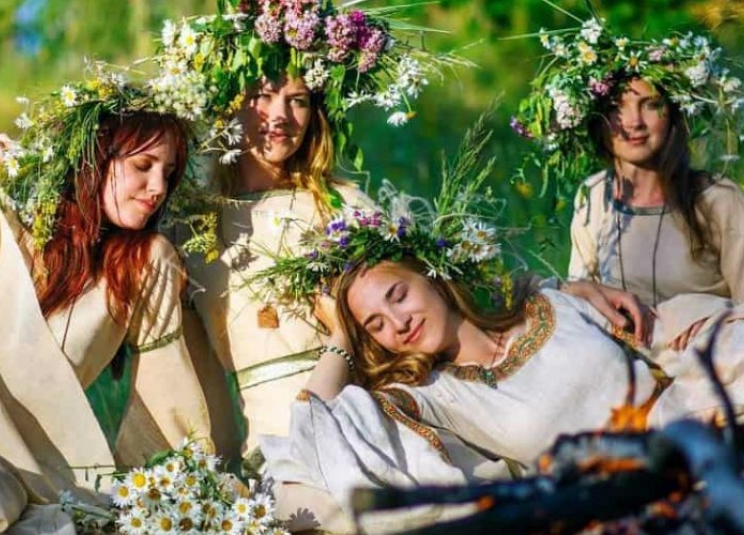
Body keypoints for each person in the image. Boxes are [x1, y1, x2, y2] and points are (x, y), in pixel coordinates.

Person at [252, 179, 692, 530]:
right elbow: (311, 435)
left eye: (398, 295)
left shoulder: (548, 304)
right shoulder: (428, 396)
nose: (398, 323)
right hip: (624, 509)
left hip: (695, 439)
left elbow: (663, 337)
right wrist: (341, 338)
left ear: (431, 274)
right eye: (376, 325)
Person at [148, 2, 455, 470]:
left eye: (298, 100)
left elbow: (417, 308)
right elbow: (189, 364)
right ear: (231, 103)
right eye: (263, 95)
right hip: (268, 442)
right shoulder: (190, 222)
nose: (280, 116)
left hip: (360, 415)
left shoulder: (343, 206)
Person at [0, 69, 212, 533]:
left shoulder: (144, 262)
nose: (158, 188)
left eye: (168, 174)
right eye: (143, 166)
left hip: (18, 471)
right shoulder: (9, 228)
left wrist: (185, 493)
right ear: (95, 159)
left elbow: (166, 387)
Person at [513, 17, 744, 352]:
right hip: (624, 360)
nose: (633, 122)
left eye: (650, 104)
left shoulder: (717, 199)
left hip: (711, 354)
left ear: (673, 113)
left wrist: (713, 318)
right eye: (616, 108)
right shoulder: (594, 196)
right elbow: (584, 300)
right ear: (597, 120)